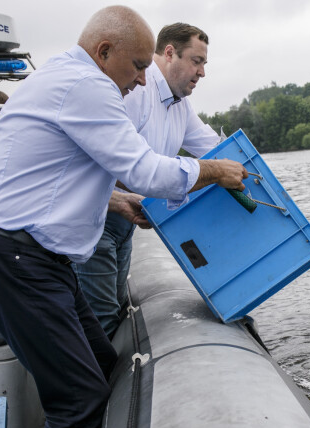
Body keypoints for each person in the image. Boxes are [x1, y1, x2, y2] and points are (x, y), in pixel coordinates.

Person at [0, 6, 247, 428]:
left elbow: (61, 172)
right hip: (16, 260)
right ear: (104, 50)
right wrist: (214, 172)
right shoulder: (88, 86)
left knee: (101, 357)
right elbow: (146, 170)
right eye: (137, 66)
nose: (140, 81)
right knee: (77, 400)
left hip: (35, 257)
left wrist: (116, 202)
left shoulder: (62, 76)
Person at [75, 22, 219, 339]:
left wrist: (250, 171)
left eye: (204, 64)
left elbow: (215, 150)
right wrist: (210, 173)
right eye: (197, 61)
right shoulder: (134, 92)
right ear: (169, 53)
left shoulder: (182, 105)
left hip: (127, 220)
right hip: (96, 219)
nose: (202, 72)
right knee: (102, 320)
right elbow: (122, 165)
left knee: (115, 307)